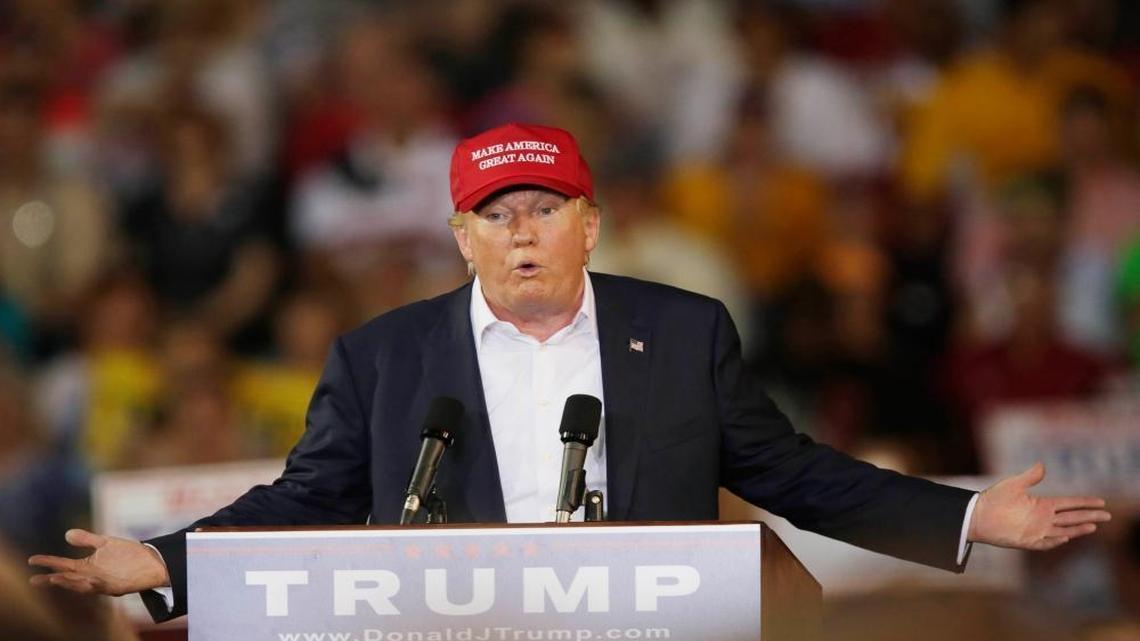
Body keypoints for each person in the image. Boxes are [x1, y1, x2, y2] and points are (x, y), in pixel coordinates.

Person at [28, 123, 1110, 622]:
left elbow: (792, 471)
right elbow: (306, 499)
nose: (520, 233)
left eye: (543, 208)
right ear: (460, 238)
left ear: (591, 223)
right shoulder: (384, 355)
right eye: (494, 217)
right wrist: (161, 562)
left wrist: (969, 520)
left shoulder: (683, 332)